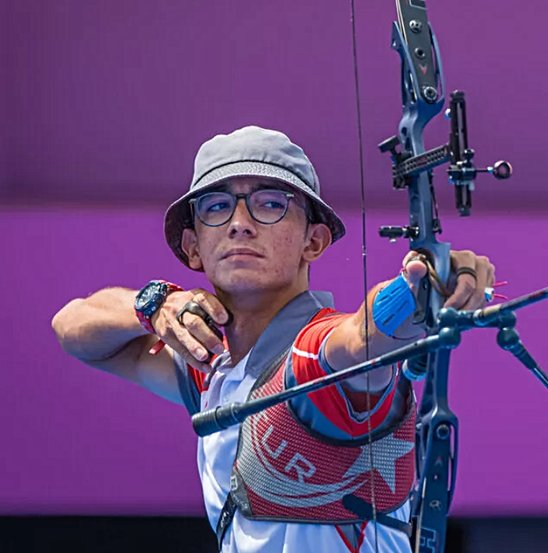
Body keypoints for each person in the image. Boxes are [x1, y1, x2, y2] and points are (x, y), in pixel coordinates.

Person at [52, 125, 495, 552]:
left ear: (314, 241)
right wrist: (155, 305)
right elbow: (72, 327)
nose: (240, 223)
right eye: (216, 206)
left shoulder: (318, 354)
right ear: (192, 246)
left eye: (269, 204)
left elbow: (364, 337)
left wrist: (425, 285)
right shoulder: (208, 363)